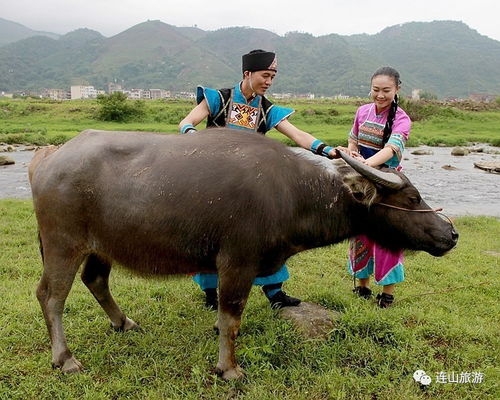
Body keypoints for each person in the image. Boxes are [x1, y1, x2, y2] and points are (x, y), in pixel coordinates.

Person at [179, 49, 338, 310]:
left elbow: (298, 135)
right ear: (247, 73)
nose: (269, 82)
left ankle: (275, 293)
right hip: (214, 183)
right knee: (210, 236)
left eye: (273, 77)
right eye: (265, 75)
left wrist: (329, 150)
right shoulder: (220, 98)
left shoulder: (266, 108)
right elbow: (187, 122)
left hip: (251, 186)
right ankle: (211, 294)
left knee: (266, 235)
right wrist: (194, 137)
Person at [339, 66, 411, 308]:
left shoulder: (401, 119)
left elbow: (391, 150)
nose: (380, 95)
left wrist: (365, 165)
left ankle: (387, 292)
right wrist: (352, 153)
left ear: (397, 89)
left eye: (386, 90)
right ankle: (362, 286)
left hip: (388, 184)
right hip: (361, 182)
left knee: (387, 237)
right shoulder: (362, 111)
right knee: (360, 234)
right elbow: (353, 138)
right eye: (376, 90)